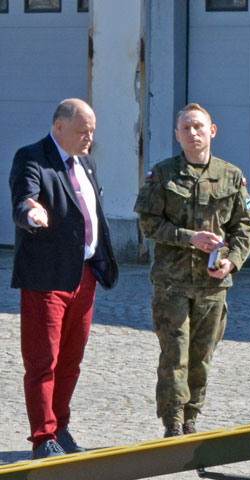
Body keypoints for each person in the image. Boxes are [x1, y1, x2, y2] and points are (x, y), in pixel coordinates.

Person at [134, 103, 250, 437]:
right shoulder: (163, 175)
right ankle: (172, 421)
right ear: (177, 135)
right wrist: (190, 238)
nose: (193, 133)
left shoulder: (231, 175)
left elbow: (244, 227)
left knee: (201, 356)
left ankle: (191, 418)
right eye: (186, 128)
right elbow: (148, 223)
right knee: (175, 353)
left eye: (198, 127)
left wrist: (232, 260)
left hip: (212, 284)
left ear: (212, 131)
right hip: (172, 284)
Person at [9, 98, 118, 460]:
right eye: (83, 131)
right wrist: (32, 214)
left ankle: (60, 427)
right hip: (46, 278)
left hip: (84, 275)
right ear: (59, 127)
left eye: (93, 131)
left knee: (71, 361)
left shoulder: (86, 162)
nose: (90, 138)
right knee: (43, 362)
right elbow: (24, 201)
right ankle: (43, 438)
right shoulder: (31, 157)